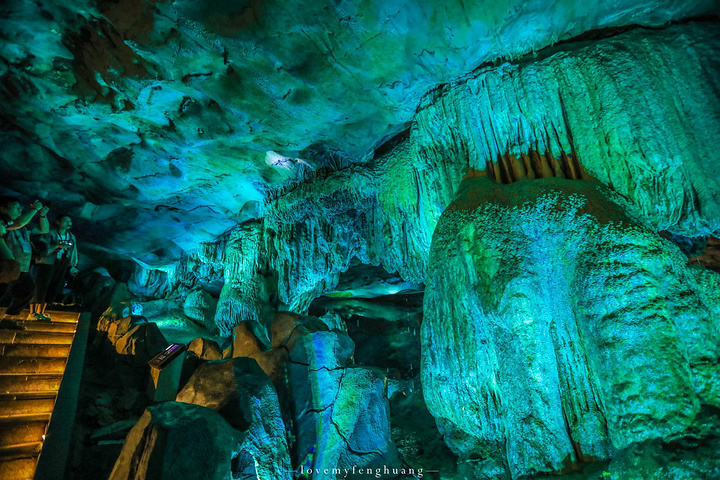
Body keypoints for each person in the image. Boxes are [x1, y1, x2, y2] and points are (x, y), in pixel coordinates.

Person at [0, 196, 49, 320]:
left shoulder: (24, 227)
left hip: (21, 267)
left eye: (20, 207)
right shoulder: (4, 223)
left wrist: (42, 215)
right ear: (3, 209)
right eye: (15, 207)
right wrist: (34, 209)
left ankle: (9, 318)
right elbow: (19, 223)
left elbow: (44, 229)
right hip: (6, 268)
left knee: (28, 290)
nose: (19, 209)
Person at [33, 214, 79, 314]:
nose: (69, 223)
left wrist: (72, 266)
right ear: (58, 222)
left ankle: (42, 311)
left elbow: (73, 252)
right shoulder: (49, 233)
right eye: (66, 221)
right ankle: (34, 312)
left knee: (54, 286)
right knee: (42, 285)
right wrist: (56, 246)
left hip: (62, 262)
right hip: (47, 262)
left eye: (70, 221)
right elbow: (41, 248)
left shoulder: (71, 237)